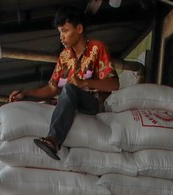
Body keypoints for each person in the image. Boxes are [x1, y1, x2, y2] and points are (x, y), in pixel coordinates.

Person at [8, 6, 119, 160]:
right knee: (55, 98)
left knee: (69, 88)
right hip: (70, 102)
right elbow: (52, 88)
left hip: (94, 103)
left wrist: (85, 83)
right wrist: (26, 93)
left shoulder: (97, 48)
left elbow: (114, 84)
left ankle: (54, 140)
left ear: (79, 29)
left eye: (65, 31)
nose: (61, 37)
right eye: (60, 32)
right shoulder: (64, 57)